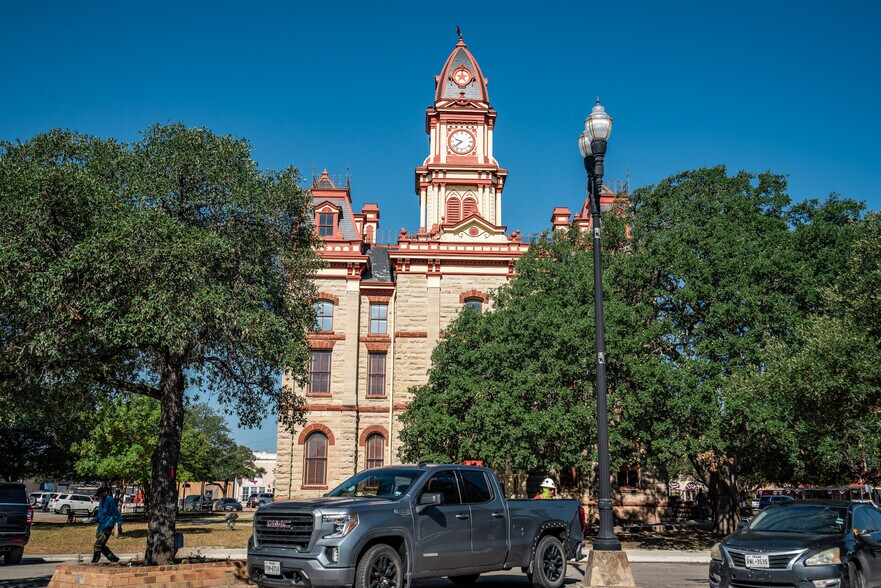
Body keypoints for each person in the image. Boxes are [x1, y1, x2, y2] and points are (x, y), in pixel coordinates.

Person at [92, 486, 122, 563]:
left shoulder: (110, 500)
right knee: (101, 546)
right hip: (101, 527)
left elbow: (117, 513)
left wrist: (119, 524)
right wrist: (93, 519)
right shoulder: (101, 502)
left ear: (104, 493)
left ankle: (94, 562)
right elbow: (100, 515)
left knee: (97, 544)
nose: (99, 497)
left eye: (100, 495)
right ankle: (113, 559)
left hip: (107, 526)